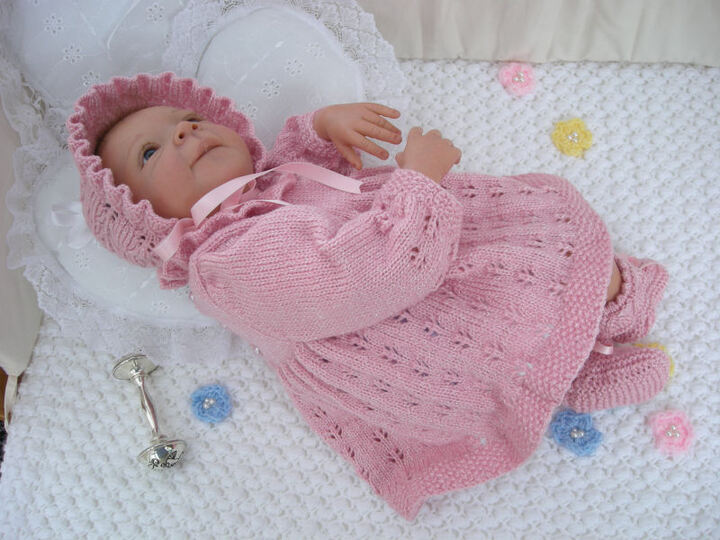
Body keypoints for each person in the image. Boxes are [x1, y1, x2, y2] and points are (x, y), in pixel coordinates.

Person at [68, 72, 669, 520]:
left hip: (418, 253)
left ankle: (585, 332)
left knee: (530, 251)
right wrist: (419, 181)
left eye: (187, 119)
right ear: (148, 219)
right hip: (395, 323)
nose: (183, 131)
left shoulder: (265, 182)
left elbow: (295, 166)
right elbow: (354, 279)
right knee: (502, 317)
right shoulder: (225, 266)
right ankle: (580, 358)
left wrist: (322, 127)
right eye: (151, 153)